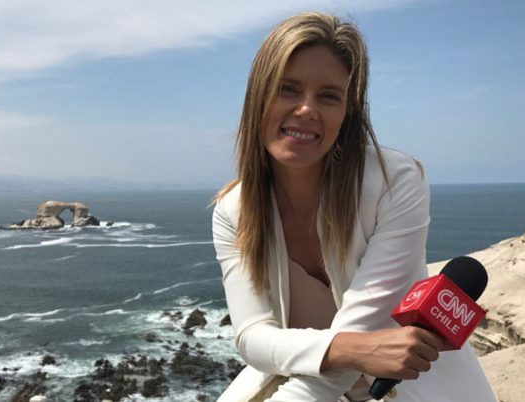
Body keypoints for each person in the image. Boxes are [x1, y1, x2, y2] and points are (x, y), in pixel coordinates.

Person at [211, 12, 496, 402]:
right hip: (301, 383)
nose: (306, 109)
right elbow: (253, 338)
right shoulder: (233, 211)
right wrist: (349, 348)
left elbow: (357, 337)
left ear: (347, 114)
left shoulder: (395, 182)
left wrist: (347, 348)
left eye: (329, 96)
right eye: (288, 89)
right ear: (258, 97)